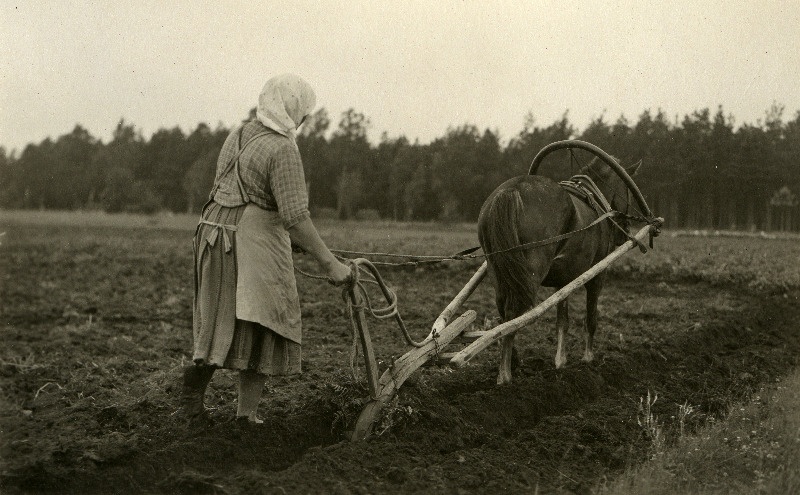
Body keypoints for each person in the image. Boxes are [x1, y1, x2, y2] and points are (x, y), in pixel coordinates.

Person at [181, 74, 351, 424]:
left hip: (213, 235)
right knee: (263, 320)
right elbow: (296, 217)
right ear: (293, 111)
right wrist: (330, 263)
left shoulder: (240, 132)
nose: (304, 120)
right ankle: (247, 415)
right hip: (248, 239)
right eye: (304, 113)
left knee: (220, 319)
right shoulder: (283, 148)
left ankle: (194, 393)